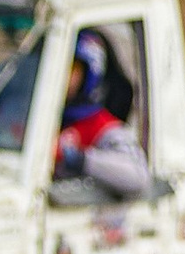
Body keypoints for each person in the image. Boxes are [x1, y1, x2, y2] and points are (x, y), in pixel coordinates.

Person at [56, 28, 151, 197]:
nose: (59, 76)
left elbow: (137, 175)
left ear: (90, 72)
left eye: (70, 69)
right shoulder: (30, 116)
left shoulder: (104, 128)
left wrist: (78, 159)